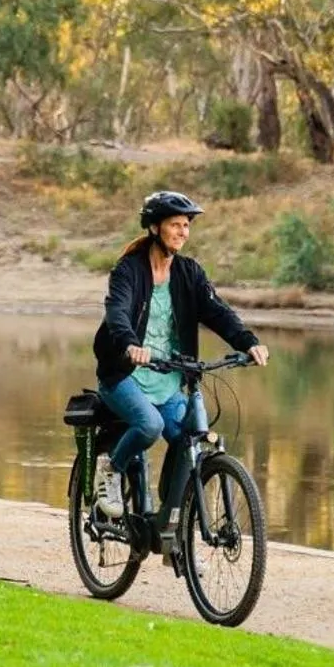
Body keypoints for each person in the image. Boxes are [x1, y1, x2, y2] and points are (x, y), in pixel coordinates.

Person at [92, 190, 268, 526]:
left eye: (186, 225)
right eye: (176, 225)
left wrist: (248, 342)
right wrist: (130, 344)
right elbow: (118, 313)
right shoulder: (128, 270)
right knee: (150, 425)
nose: (183, 232)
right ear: (155, 228)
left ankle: (168, 519)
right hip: (124, 375)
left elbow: (217, 312)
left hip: (168, 379)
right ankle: (111, 469)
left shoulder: (189, 273)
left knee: (190, 437)